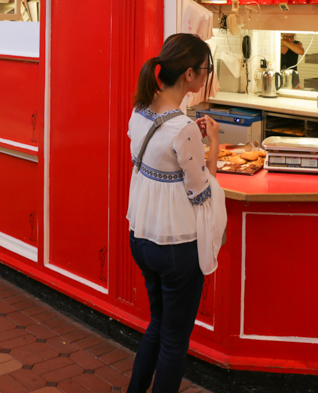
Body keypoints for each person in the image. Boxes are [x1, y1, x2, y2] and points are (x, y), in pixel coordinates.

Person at [127, 33, 220, 393]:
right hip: (176, 246)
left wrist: (193, 145)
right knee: (175, 340)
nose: (205, 78)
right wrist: (213, 145)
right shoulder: (182, 128)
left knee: (158, 324)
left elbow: (152, 161)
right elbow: (201, 191)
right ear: (190, 76)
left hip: (142, 237)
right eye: (206, 71)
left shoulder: (140, 112)